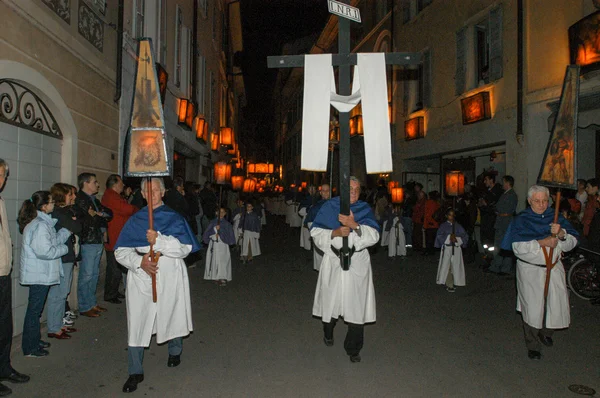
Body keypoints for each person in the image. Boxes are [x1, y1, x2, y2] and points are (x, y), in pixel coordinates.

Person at [114, 178, 201, 393]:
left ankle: (175, 350)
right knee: (138, 319)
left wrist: (159, 240)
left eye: (155, 190)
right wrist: (139, 262)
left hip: (170, 272)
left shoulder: (174, 217)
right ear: (142, 194)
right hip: (141, 276)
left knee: (171, 311)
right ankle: (135, 371)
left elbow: (186, 248)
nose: (151, 194)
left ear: (162, 193)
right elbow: (120, 251)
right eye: (147, 190)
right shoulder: (135, 220)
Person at [501, 185, 578, 360]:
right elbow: (517, 248)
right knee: (532, 307)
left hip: (554, 267)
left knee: (556, 303)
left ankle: (546, 332)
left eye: (545, 200)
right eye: (537, 201)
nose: (542, 205)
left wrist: (561, 234)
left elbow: (572, 242)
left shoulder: (555, 216)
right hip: (530, 270)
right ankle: (533, 344)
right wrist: (542, 242)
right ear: (529, 201)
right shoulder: (521, 220)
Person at [310, 176, 380, 363]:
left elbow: (374, 236)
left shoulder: (364, 209)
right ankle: (328, 330)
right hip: (333, 261)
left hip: (357, 262)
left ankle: (353, 348)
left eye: (357, 189)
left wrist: (354, 226)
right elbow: (315, 233)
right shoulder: (329, 207)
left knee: (356, 306)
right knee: (331, 301)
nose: (354, 193)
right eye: (350, 189)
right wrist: (334, 232)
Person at [18, 191, 71, 357]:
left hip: (40, 273)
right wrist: (64, 249)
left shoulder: (41, 223)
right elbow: (45, 251)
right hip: (39, 274)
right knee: (34, 311)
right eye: (51, 202)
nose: (54, 204)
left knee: (36, 310)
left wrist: (66, 232)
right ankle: (30, 347)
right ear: (44, 206)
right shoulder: (40, 225)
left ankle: (34, 341)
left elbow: (51, 240)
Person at [0, 159, 30, 396]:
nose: (1, 180)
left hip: (2, 273)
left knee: (4, 324)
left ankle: (3, 367)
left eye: (3, 175)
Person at [46, 184, 82, 340]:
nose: (73, 197)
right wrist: (73, 222)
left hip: (66, 256)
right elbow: (76, 226)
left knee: (62, 292)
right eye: (70, 194)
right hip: (62, 257)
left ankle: (59, 324)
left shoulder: (63, 212)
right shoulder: (59, 213)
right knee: (58, 293)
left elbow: (78, 225)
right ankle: (54, 327)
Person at [75, 172, 113, 317]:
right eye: (94, 182)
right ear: (86, 183)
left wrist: (98, 215)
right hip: (88, 240)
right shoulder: (80, 200)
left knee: (94, 273)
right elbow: (87, 220)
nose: (97, 184)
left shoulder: (94, 200)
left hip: (97, 239)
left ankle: (92, 303)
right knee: (87, 274)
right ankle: (84, 306)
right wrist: (98, 216)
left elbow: (108, 214)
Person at [101, 174, 139, 304]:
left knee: (116, 267)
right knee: (114, 267)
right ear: (115, 184)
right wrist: (135, 209)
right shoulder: (111, 196)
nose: (123, 185)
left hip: (117, 235)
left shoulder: (113, 196)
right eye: (121, 183)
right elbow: (127, 209)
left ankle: (113, 291)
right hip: (115, 235)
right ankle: (110, 294)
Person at [487, 175, 518, 275]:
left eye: (504, 182)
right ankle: (500, 266)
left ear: (508, 183)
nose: (502, 185)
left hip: (504, 222)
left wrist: (497, 209)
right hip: (503, 221)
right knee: (502, 245)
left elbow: (502, 208)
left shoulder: (511, 195)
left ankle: (501, 266)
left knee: (501, 245)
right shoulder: (506, 194)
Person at [435, 208, 468, 292]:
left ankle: (455, 281)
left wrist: (456, 239)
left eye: (453, 215)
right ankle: (449, 283)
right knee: (447, 266)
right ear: (446, 216)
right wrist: (449, 238)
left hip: (456, 248)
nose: (451, 217)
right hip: (447, 248)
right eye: (450, 215)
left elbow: (465, 236)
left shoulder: (458, 226)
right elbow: (439, 236)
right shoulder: (443, 226)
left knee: (455, 265)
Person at [203, 207, 236, 286]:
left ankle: (222, 276)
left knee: (222, 260)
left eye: (222, 212)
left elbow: (229, 234)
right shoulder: (212, 222)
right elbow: (207, 233)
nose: (221, 214)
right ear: (216, 213)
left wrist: (220, 231)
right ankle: (215, 275)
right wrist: (213, 233)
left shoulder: (227, 224)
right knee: (215, 259)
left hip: (222, 245)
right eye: (219, 212)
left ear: (225, 214)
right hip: (214, 244)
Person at [305, 184, 331, 271]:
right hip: (321, 234)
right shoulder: (316, 207)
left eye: (328, 191)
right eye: (324, 191)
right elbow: (310, 222)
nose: (326, 193)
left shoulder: (336, 204)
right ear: (320, 193)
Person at [479, 174, 503, 251]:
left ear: (491, 180)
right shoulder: (486, 192)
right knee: (486, 241)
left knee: (492, 241)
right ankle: (487, 255)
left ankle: (492, 256)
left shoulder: (497, 192)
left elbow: (495, 207)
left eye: (486, 179)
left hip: (492, 221)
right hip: (486, 220)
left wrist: (486, 204)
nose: (484, 182)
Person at [423, 191, 441, 255]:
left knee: (429, 239)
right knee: (433, 238)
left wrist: (425, 224)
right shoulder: (437, 203)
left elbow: (427, 214)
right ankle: (432, 251)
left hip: (430, 223)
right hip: (436, 223)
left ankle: (429, 251)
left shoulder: (429, 203)